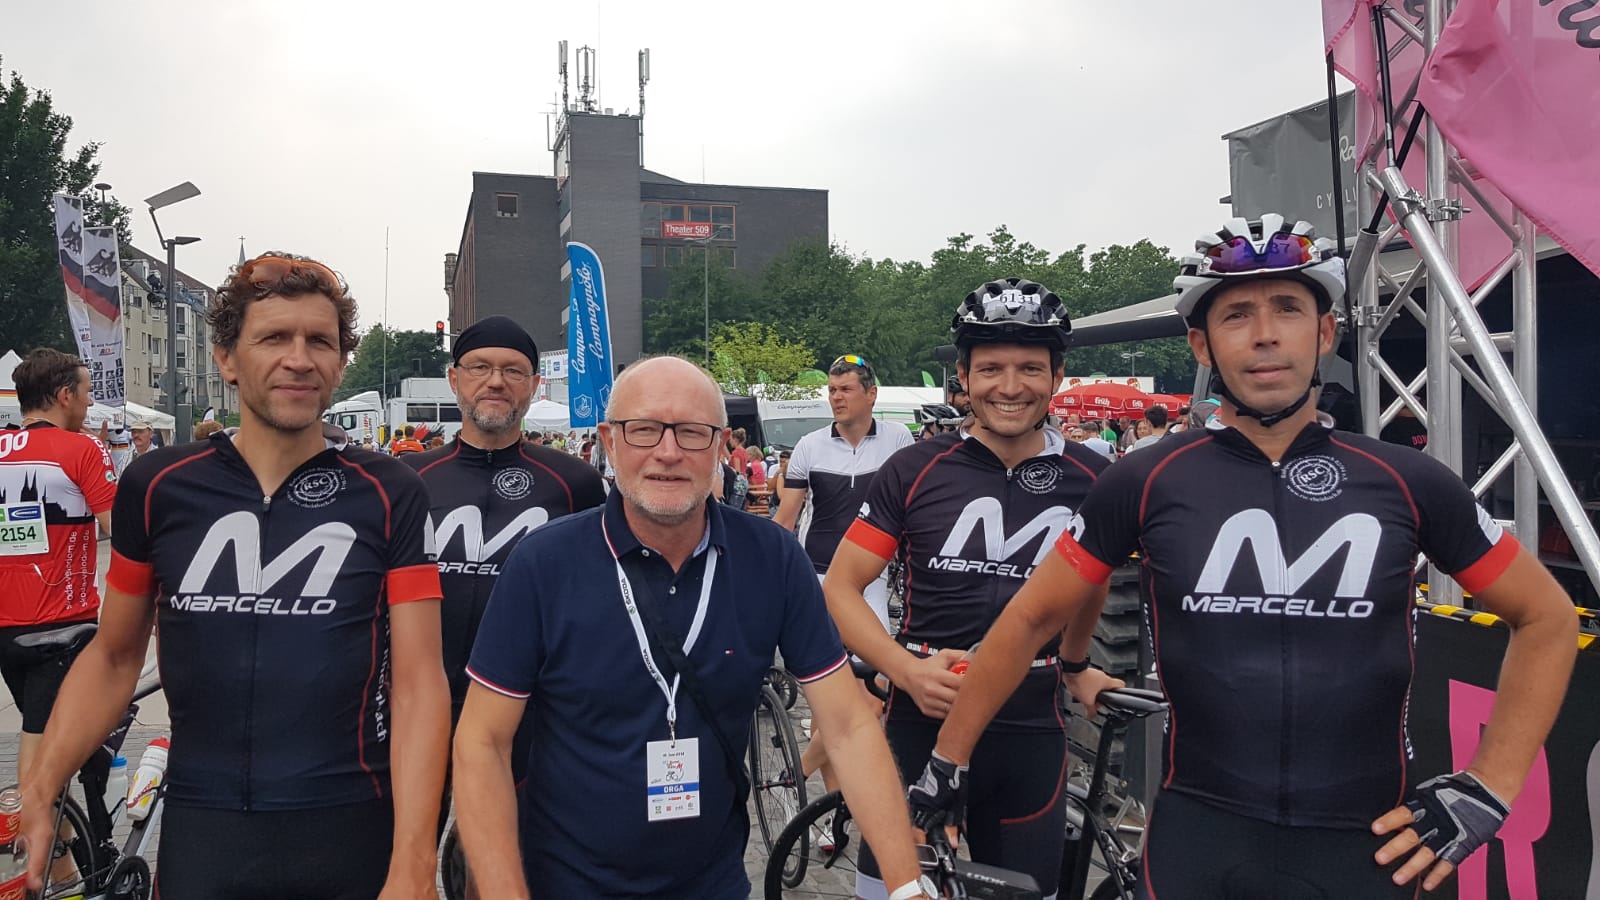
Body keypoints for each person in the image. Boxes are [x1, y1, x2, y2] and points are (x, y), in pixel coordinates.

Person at [913, 215, 1579, 898]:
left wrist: (1491, 784)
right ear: (1201, 345)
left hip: (1364, 846)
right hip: (1199, 838)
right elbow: (1029, 621)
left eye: (1287, 308)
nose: (1265, 334)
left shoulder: (1408, 482)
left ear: (1325, 332)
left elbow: (1547, 618)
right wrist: (947, 761)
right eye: (1236, 315)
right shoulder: (1144, 479)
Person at [22, 253, 451, 899]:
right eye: (274, 338)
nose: (299, 359)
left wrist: (415, 862)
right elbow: (114, 658)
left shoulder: (390, 491)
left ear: (340, 363)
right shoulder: (160, 486)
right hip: (205, 829)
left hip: (349, 823)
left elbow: (419, 685)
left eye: (320, 342)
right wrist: (42, 784)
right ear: (226, 358)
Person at [452, 355, 933, 899]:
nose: (668, 451)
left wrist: (906, 884)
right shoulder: (544, 563)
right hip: (565, 881)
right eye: (644, 429)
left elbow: (847, 726)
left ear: (721, 445)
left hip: (712, 882)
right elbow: (482, 741)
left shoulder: (772, 558)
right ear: (610, 442)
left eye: (691, 432)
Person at [824, 279, 1113, 898]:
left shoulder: (1095, 477)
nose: (1010, 386)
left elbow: (1094, 583)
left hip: (1030, 730)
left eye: (1030, 368)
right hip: (920, 716)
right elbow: (841, 588)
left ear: (1057, 377)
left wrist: (1077, 664)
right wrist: (903, 669)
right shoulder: (913, 467)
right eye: (990, 369)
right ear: (963, 377)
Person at [401, 316, 605, 850]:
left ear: (535, 385)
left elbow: (597, 594)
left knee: (499, 857)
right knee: (407, 853)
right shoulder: (408, 480)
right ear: (454, 379)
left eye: (513, 371)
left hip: (528, 707)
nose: (495, 381)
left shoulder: (575, 482)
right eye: (480, 368)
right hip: (420, 701)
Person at [773, 354, 914, 805]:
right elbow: (786, 518)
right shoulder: (810, 446)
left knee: (876, 693)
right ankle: (831, 812)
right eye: (832, 390)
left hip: (870, 582)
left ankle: (797, 771)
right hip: (817, 578)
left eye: (845, 389)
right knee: (827, 699)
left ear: (871, 394)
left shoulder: (898, 438)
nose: (836, 398)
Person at [0, 350, 116, 782]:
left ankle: (73, 832)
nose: (90, 402)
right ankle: (25, 823)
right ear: (65, 395)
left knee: (66, 739)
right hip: (62, 624)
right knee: (40, 763)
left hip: (6, 627)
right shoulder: (83, 448)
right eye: (86, 392)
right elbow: (123, 533)